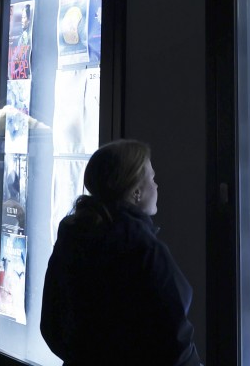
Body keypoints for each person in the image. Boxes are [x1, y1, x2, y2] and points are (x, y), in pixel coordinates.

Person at [40, 138, 203, 366]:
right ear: (136, 192)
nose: (157, 186)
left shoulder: (72, 237)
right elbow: (175, 340)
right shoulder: (144, 249)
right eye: (152, 179)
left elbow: (51, 325)